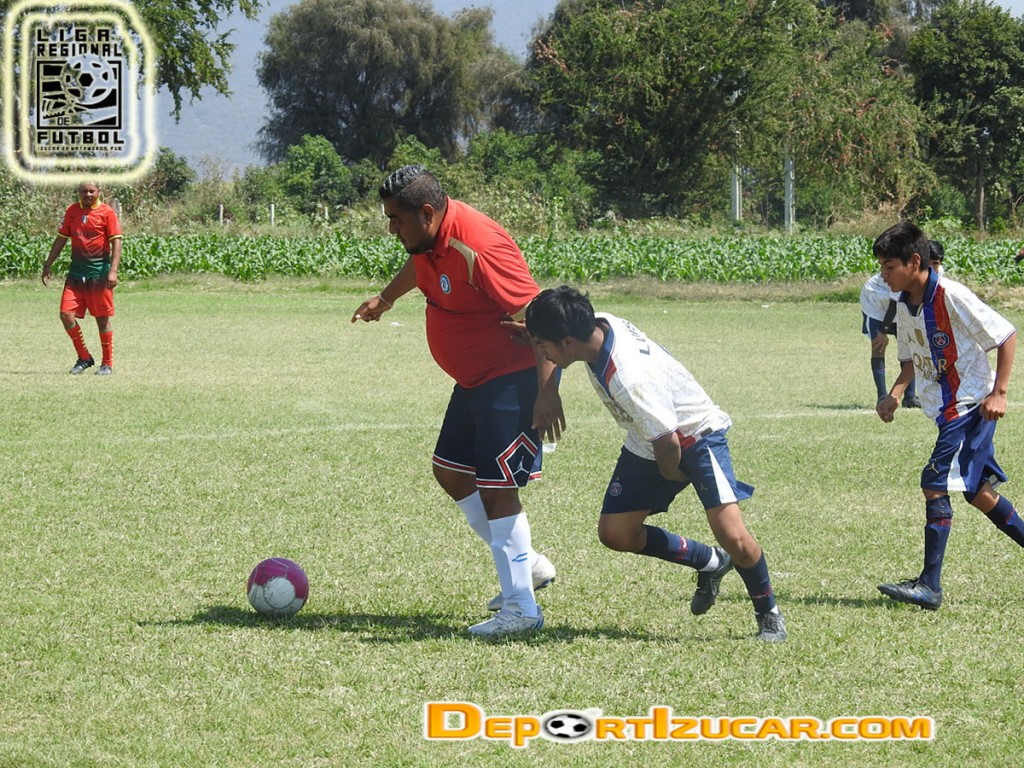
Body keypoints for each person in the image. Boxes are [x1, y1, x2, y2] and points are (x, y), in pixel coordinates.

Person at [351, 165, 564, 637]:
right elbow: (420, 263)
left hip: (510, 379)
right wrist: (385, 299)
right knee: (451, 471)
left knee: (497, 488)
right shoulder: (429, 239)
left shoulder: (478, 245)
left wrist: (548, 390)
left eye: (396, 220)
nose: (391, 229)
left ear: (427, 213)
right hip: (474, 382)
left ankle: (521, 609)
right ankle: (527, 567)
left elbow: (541, 317)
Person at [524, 285, 787, 642]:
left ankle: (769, 613)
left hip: (693, 435)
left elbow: (668, 440)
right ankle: (711, 561)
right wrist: (539, 355)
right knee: (616, 533)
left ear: (568, 342)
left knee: (732, 535)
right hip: (648, 436)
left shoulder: (628, 378)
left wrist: (670, 474)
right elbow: (656, 433)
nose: (541, 352)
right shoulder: (599, 325)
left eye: (543, 345)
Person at [874, 221, 1021, 610]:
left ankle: (929, 586)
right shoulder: (903, 302)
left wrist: (1000, 393)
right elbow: (912, 357)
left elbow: (1006, 334)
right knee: (978, 493)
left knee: (934, 482)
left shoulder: (951, 295)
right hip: (945, 409)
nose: (883, 274)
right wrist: (895, 394)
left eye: (889, 266)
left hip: (968, 405)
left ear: (914, 261)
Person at [42, 181, 123, 375]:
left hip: (99, 274)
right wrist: (48, 263)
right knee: (66, 314)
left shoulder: (107, 212)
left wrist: (113, 271)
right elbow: (61, 238)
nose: (87, 194)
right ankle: (84, 357)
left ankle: (107, 363)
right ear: (78, 192)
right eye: (84, 191)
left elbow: (117, 242)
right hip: (76, 274)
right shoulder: (72, 211)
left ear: (98, 192)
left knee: (101, 319)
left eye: (91, 191)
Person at [859, 240, 945, 407]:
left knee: (911, 349)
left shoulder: (937, 272)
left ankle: (910, 397)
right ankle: (882, 396)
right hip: (876, 303)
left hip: (901, 306)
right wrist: (883, 331)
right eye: (929, 263)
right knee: (878, 347)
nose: (933, 267)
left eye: (936, 263)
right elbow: (894, 302)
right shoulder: (908, 273)